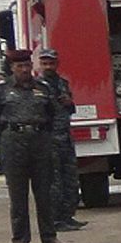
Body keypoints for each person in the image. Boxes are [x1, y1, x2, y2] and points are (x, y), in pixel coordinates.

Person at [0, 49, 66, 243]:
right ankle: (20, 240)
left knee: (44, 193)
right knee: (18, 195)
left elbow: (55, 114)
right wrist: (3, 142)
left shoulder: (43, 88)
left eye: (27, 66)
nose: (24, 70)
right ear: (12, 68)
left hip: (40, 142)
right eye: (19, 66)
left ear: (31, 66)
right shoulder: (2, 89)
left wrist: (52, 139)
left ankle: (49, 236)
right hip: (13, 143)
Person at [36, 48, 86, 231]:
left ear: (57, 64)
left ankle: (68, 215)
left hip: (65, 137)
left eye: (51, 63)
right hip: (49, 139)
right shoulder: (36, 86)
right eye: (44, 63)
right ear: (40, 65)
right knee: (54, 182)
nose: (48, 66)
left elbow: (71, 109)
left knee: (70, 178)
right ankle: (55, 220)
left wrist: (69, 103)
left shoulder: (63, 83)